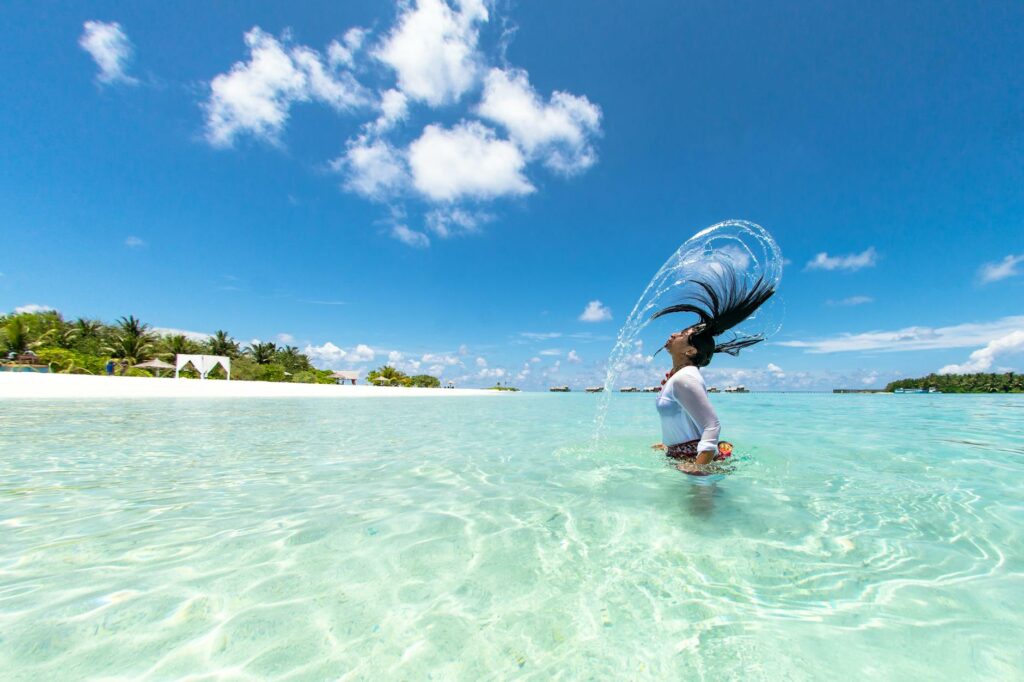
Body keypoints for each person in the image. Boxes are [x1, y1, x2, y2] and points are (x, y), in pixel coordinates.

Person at [649, 265, 775, 473]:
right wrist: (669, 444)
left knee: (700, 507)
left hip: (696, 461)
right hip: (684, 456)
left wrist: (699, 469)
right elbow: (686, 416)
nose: (673, 334)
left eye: (681, 335)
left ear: (690, 350)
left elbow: (712, 425)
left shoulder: (685, 377)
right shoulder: (680, 377)